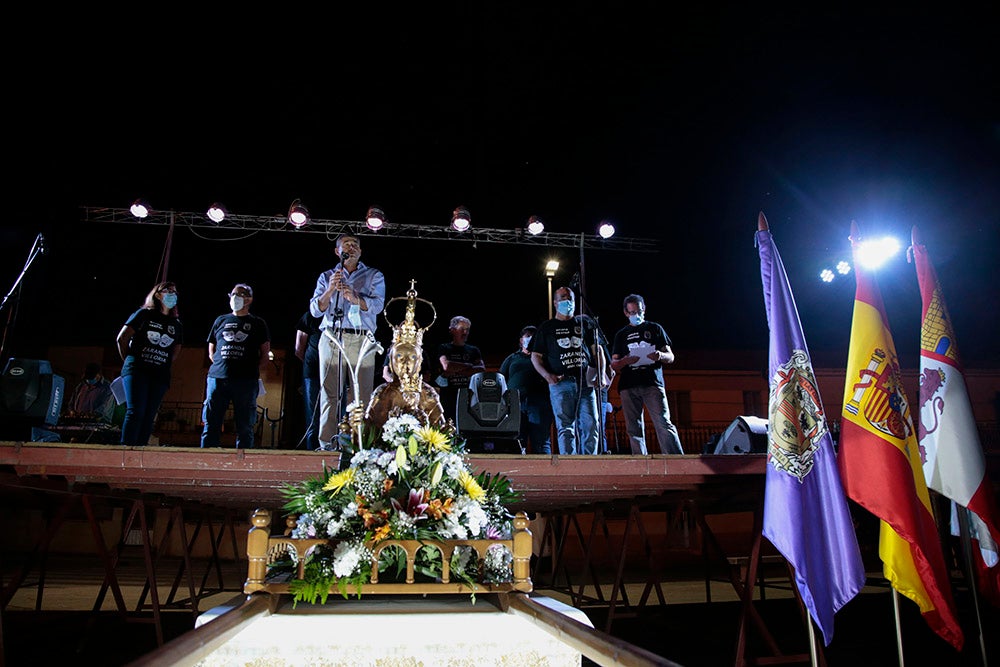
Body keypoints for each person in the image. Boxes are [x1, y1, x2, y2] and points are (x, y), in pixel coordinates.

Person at [309, 235, 386, 450]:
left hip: (361, 338)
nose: (352, 248)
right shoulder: (326, 276)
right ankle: (327, 444)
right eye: (347, 245)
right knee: (329, 393)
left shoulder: (374, 275)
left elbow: (378, 306)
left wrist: (355, 298)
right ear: (337, 251)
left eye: (356, 245)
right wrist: (330, 289)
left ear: (361, 251)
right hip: (332, 336)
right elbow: (315, 310)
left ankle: (357, 444)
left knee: (360, 394)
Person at [530, 286, 608, 455]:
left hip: (585, 383)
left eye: (571, 298)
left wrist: (601, 375)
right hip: (561, 383)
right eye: (564, 297)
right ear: (555, 302)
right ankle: (569, 463)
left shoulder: (585, 324)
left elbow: (598, 351)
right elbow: (535, 356)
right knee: (565, 427)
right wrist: (547, 376)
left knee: (590, 424)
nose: (568, 301)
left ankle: (588, 463)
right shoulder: (547, 327)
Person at [610, 294, 684, 455]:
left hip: (652, 383)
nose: (636, 315)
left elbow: (670, 356)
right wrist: (626, 360)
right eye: (632, 312)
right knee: (633, 428)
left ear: (644, 309)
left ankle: (675, 459)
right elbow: (614, 364)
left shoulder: (654, 328)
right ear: (626, 313)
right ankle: (640, 462)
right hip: (629, 385)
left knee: (663, 422)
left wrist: (659, 355)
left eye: (639, 311)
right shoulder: (621, 334)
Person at [201, 283, 271, 449]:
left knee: (245, 425)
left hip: (245, 381)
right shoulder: (221, 320)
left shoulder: (258, 323)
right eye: (233, 294)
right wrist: (221, 365)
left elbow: (265, 353)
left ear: (249, 299)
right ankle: (206, 456)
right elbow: (212, 349)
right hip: (217, 379)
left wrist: (251, 370)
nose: (235, 298)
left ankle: (243, 461)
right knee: (211, 422)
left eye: (240, 294)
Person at [115, 281, 184, 445]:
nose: (172, 294)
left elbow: (176, 349)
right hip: (137, 370)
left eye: (175, 291)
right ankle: (127, 450)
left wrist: (162, 362)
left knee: (149, 415)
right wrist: (129, 360)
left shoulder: (176, 324)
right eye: (168, 290)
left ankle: (140, 451)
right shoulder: (144, 314)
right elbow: (122, 338)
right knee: (135, 411)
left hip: (159, 375)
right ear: (158, 294)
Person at [499, 325, 553, 454]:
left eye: (533, 337)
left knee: (541, 442)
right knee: (516, 441)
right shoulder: (512, 358)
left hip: (539, 403)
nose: (531, 339)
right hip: (515, 405)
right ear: (521, 340)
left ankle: (544, 472)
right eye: (527, 336)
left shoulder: (545, 358)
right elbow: (500, 378)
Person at [435, 315, 485, 423]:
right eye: (462, 329)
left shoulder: (474, 350)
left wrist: (455, 368)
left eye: (467, 330)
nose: (465, 333)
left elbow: (481, 369)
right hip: (448, 397)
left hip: (468, 397)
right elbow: (446, 366)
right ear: (452, 330)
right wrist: (469, 366)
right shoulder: (444, 348)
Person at [294, 311, 322, 450]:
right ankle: (312, 450)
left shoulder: (341, 312)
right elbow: (299, 348)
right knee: (313, 417)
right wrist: (311, 362)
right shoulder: (310, 315)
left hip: (336, 371)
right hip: (312, 373)